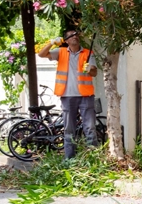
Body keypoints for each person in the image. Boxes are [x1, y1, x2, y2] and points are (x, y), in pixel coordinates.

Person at [38, 29, 98, 159]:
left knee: (90, 129)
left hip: (85, 96)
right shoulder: (60, 52)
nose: (75, 37)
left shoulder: (88, 53)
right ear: (66, 40)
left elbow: (94, 73)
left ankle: (93, 159)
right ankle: (70, 160)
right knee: (69, 130)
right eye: (71, 35)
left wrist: (90, 69)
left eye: (76, 34)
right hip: (67, 96)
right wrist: (51, 43)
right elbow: (41, 54)